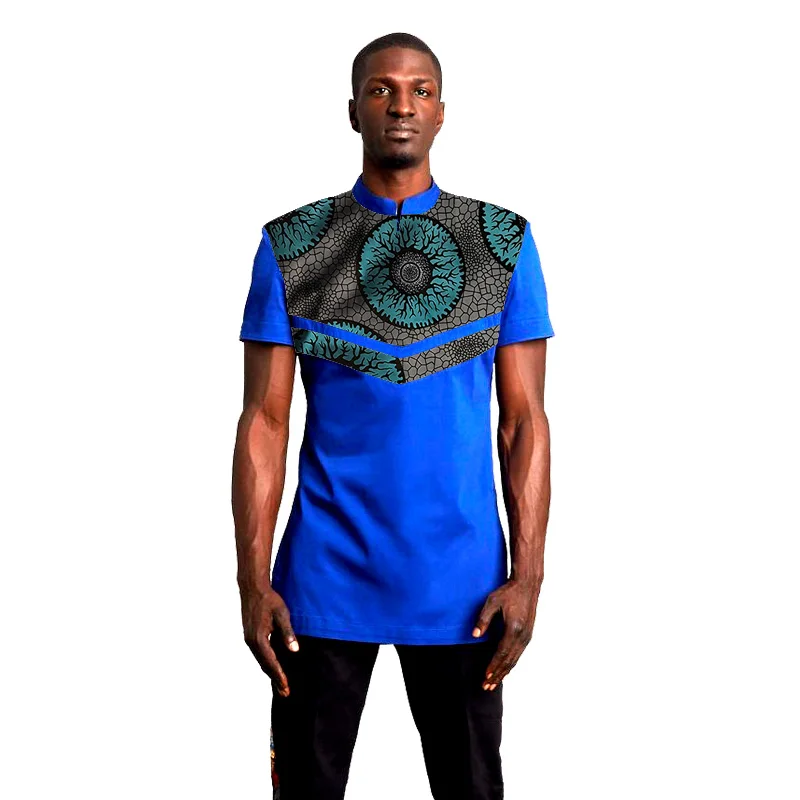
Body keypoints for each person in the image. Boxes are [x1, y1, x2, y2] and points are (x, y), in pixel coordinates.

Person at [232, 31, 554, 800]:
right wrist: (250, 578)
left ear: (441, 112)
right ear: (354, 110)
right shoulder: (293, 246)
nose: (401, 104)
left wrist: (530, 576)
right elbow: (263, 423)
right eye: (381, 89)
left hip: (464, 584)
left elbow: (525, 422)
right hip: (320, 581)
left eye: (419, 90)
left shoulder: (502, 244)